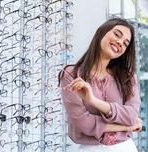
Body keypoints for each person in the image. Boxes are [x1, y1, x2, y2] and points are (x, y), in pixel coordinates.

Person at [58, 18, 142, 152]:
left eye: (125, 43)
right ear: (101, 32)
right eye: (117, 34)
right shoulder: (71, 75)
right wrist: (127, 127)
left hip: (124, 147)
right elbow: (84, 123)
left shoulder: (128, 77)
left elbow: (131, 115)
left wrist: (93, 101)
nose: (120, 42)